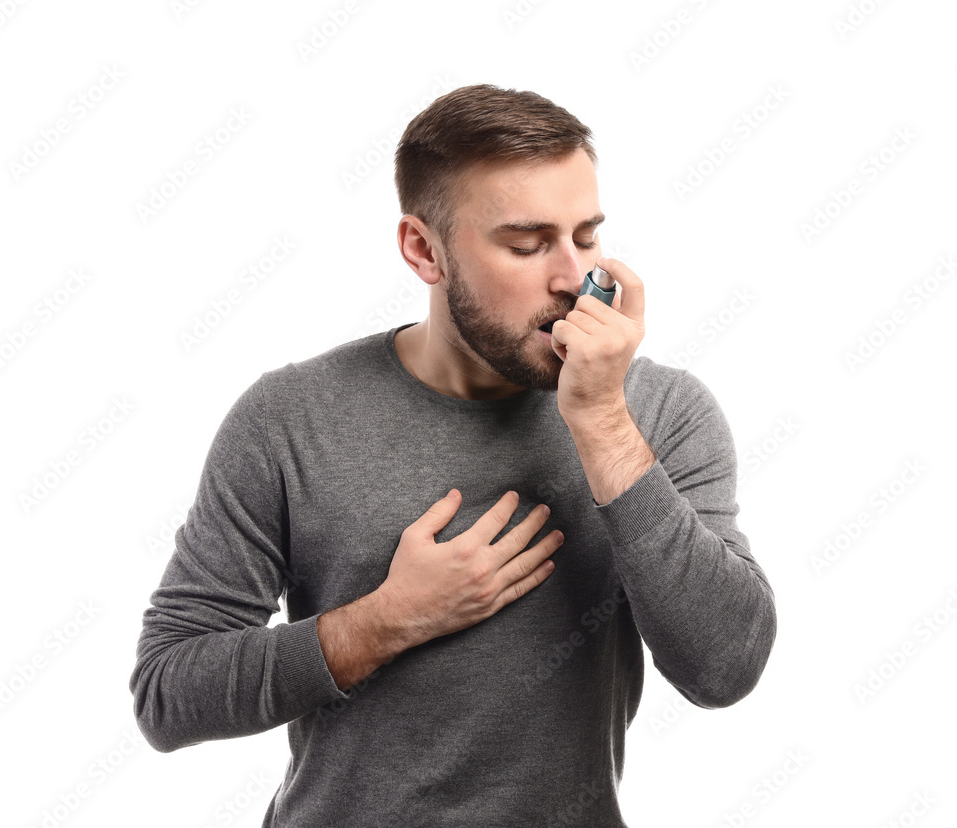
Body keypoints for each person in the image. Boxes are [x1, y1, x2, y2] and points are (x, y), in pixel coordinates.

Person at [129, 83, 777, 827]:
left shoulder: (659, 412)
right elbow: (168, 693)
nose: (571, 277)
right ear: (423, 250)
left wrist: (601, 422)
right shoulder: (289, 420)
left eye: (587, 235)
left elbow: (725, 670)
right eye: (526, 244)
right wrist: (383, 622)